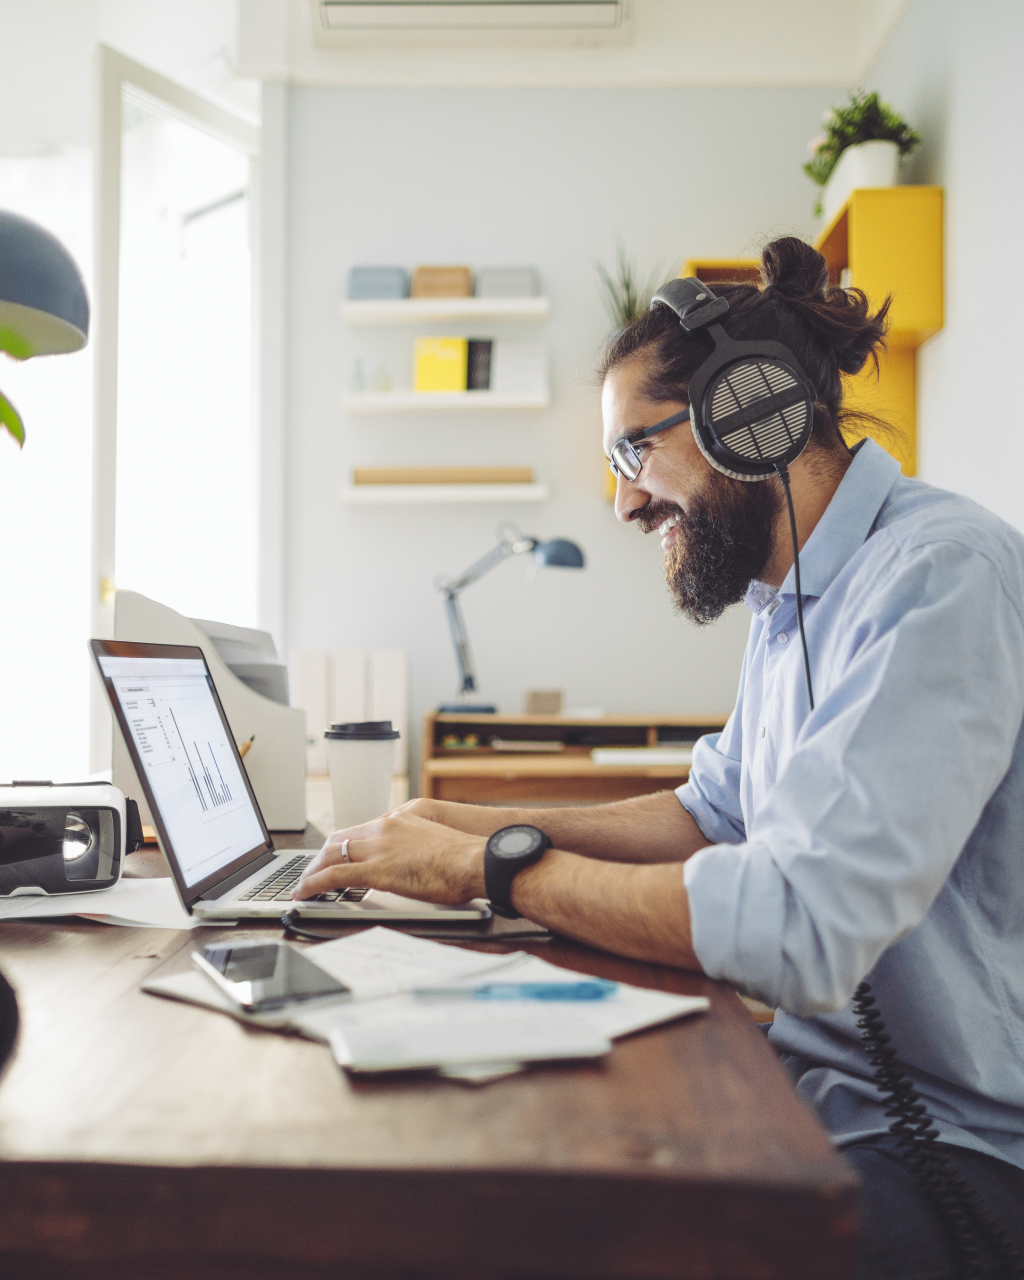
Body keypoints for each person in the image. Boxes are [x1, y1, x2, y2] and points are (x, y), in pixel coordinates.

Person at [294, 236, 1024, 1278]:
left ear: (750, 412)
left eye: (635, 452)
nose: (627, 502)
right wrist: (460, 824)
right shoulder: (792, 603)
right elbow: (712, 812)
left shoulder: (936, 579)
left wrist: (493, 868)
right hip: (819, 1095)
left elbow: (797, 927)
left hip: (956, 1151)